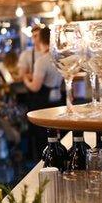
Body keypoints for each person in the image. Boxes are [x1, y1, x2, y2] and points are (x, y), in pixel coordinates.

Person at [22, 26, 64, 160]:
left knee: (43, 135)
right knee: (58, 132)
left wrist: (25, 80)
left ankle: (44, 161)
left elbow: (35, 87)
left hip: (44, 101)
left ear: (40, 40)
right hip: (58, 97)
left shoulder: (42, 61)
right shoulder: (58, 58)